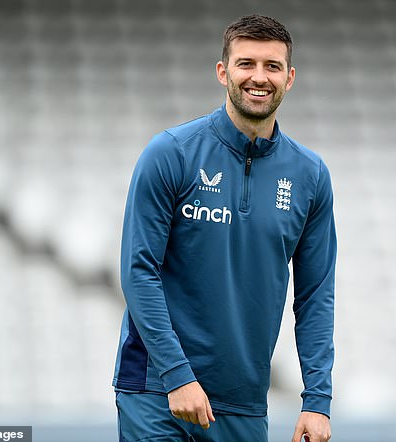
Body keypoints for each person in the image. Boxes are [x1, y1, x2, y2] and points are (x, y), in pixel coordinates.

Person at [113, 14, 336, 442]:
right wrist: (177, 375)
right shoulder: (170, 154)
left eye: (272, 66)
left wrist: (317, 400)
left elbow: (315, 296)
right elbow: (138, 271)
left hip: (243, 404)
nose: (259, 77)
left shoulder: (310, 176)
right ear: (223, 72)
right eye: (245, 63)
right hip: (157, 392)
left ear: (290, 79)